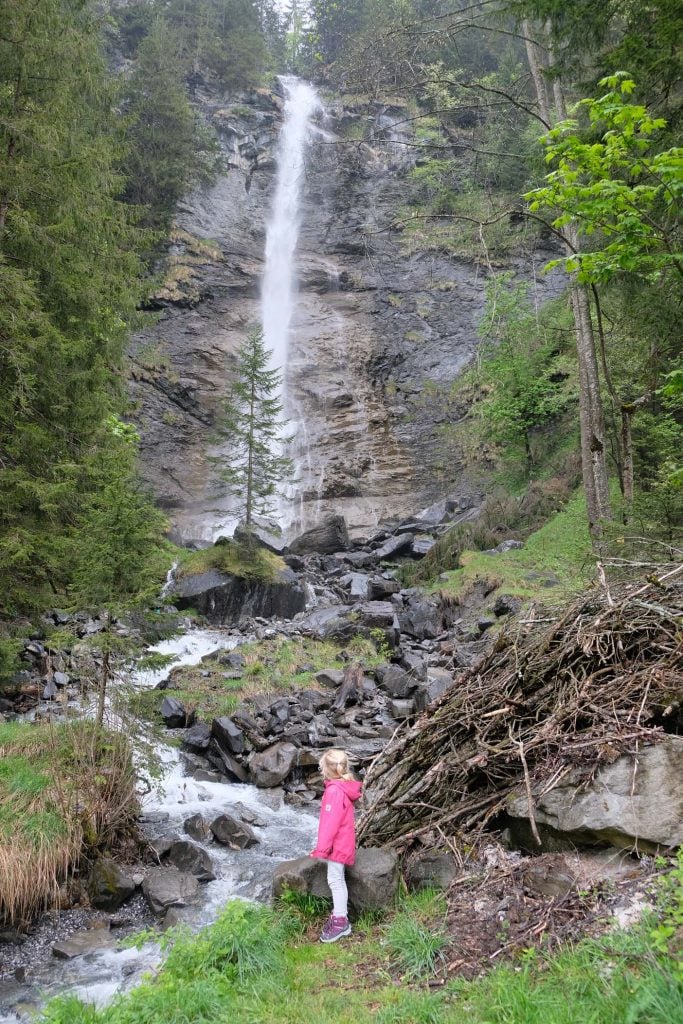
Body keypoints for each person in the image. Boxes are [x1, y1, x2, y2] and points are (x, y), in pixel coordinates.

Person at [309, 748, 362, 943]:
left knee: (335, 880)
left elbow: (330, 824)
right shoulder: (343, 786)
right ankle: (339, 915)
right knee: (336, 879)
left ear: (327, 770)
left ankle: (341, 921)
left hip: (337, 844)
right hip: (343, 840)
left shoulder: (333, 791)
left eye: (322, 767)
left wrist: (321, 849)